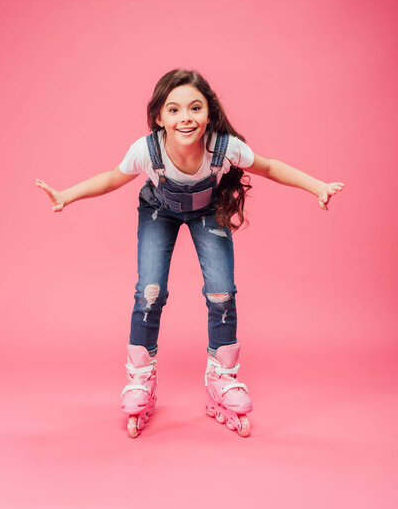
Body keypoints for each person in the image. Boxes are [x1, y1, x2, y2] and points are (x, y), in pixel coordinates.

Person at [36, 68, 344, 438]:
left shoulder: (224, 146)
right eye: (174, 110)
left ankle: (223, 378)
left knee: (222, 292)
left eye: (195, 108)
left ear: (209, 114)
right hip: (157, 212)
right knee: (149, 291)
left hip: (206, 211)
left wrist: (317, 187)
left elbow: (268, 167)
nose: (186, 118)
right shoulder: (145, 150)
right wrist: (66, 196)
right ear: (159, 118)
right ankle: (140, 379)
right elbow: (111, 178)